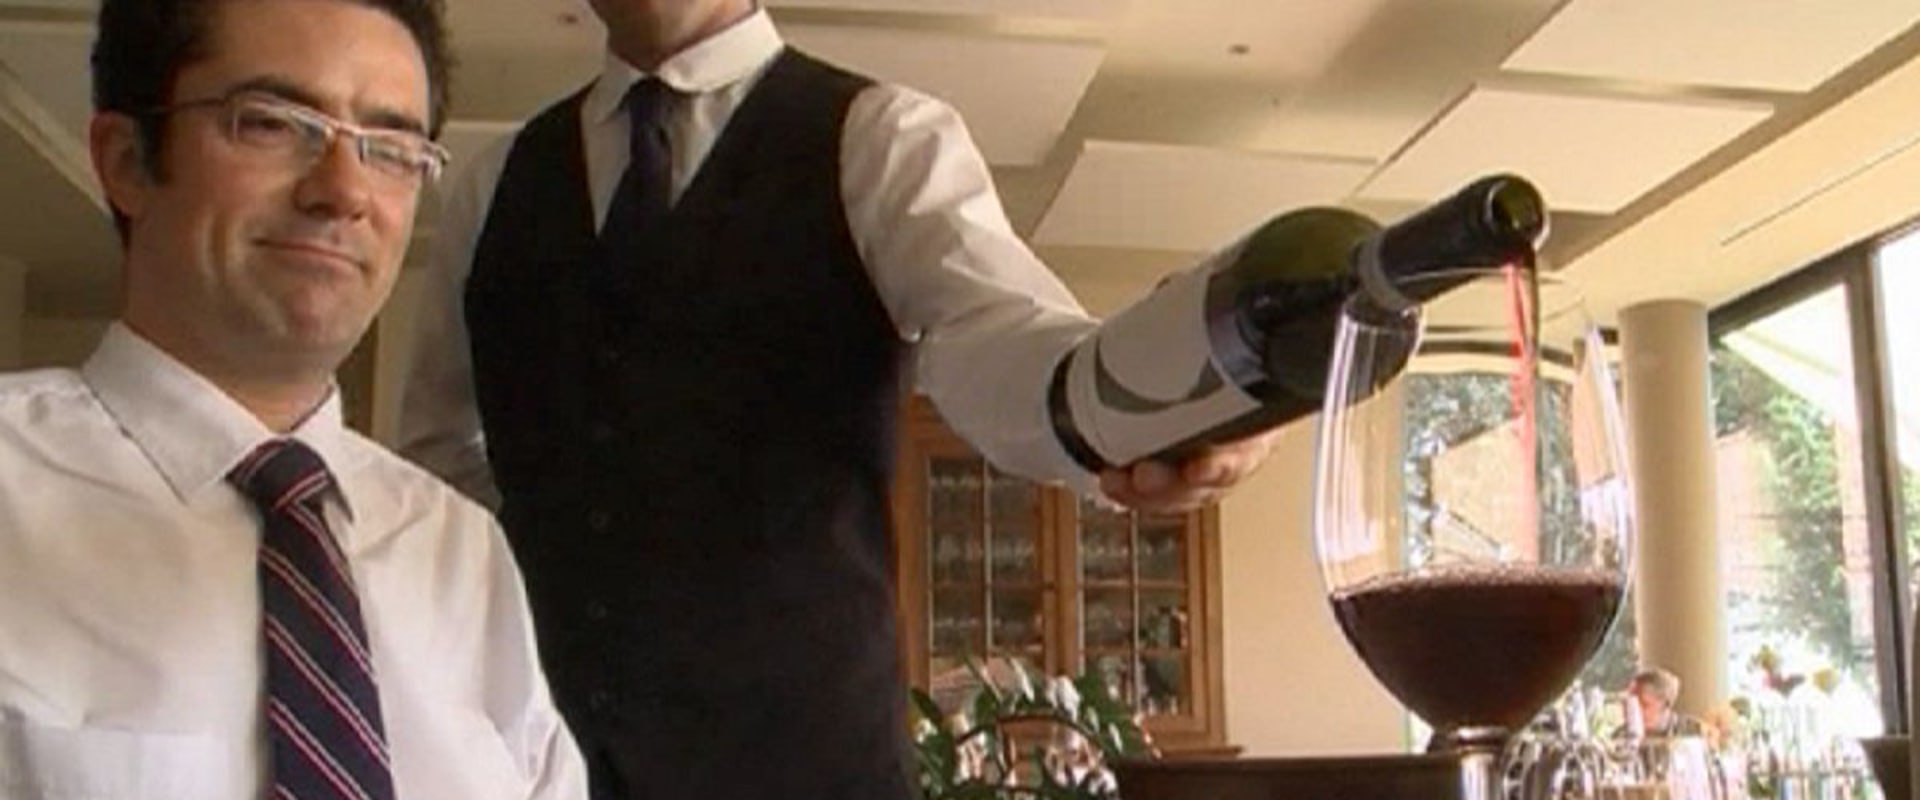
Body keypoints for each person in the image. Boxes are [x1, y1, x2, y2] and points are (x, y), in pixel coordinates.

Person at [397, 0, 1274, 797]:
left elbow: (997, 336)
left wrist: (1134, 409)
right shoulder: (491, 183)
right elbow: (438, 464)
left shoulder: (882, 138)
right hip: (537, 768)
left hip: (812, 767)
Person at [0, 0, 588, 796]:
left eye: (391, 149)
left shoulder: (458, 551)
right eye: (271, 123)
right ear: (127, 160)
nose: (344, 191)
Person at [1621, 667, 1705, 739]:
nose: (1635, 712)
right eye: (1629, 706)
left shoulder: (1694, 731)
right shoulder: (1623, 736)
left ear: (1666, 704)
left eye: (1644, 705)